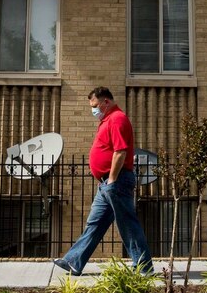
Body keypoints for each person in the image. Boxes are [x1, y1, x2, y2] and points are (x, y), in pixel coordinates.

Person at [53, 86, 154, 276]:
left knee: (127, 224)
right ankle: (74, 261)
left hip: (116, 181)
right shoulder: (107, 120)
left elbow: (120, 151)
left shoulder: (117, 119)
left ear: (106, 101)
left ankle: (144, 268)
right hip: (106, 183)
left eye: (95, 105)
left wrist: (113, 179)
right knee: (95, 223)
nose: (94, 110)